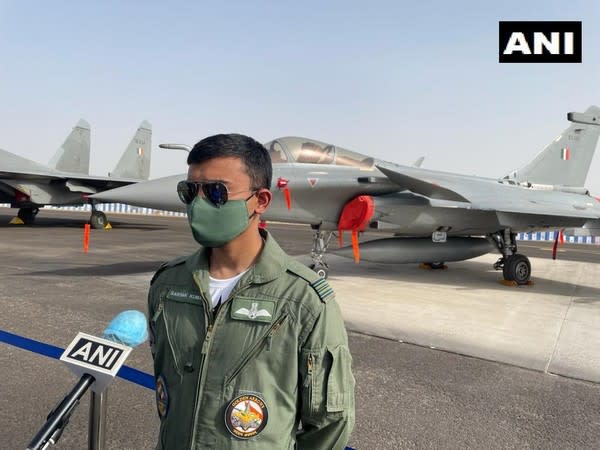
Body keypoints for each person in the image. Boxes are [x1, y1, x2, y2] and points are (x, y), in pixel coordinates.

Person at [148, 133, 355, 449]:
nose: (199, 203)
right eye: (190, 191)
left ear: (261, 201)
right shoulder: (167, 286)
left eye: (217, 192)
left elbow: (329, 424)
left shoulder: (304, 300)